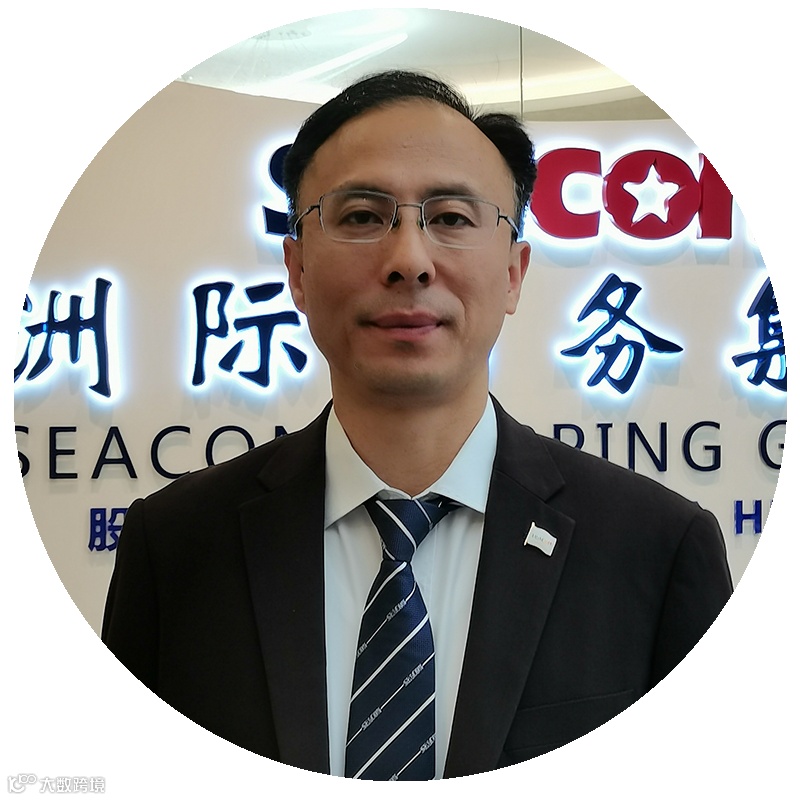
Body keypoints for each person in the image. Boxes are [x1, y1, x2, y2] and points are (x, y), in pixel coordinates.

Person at [102, 70, 733, 780]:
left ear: (514, 272)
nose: (408, 261)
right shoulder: (176, 548)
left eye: (453, 218)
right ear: (297, 269)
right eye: (362, 217)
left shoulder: (656, 548)